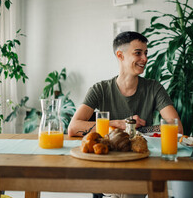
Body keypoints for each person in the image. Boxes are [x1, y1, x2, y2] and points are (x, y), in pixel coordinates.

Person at [67, 31, 183, 198]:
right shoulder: (100, 89)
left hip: (139, 166)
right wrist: (120, 124)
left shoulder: (154, 88)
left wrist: (138, 130)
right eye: (138, 53)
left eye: (146, 53)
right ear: (120, 55)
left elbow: (176, 127)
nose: (145, 58)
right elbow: (73, 127)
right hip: (108, 165)